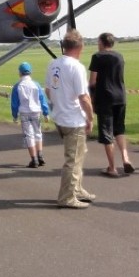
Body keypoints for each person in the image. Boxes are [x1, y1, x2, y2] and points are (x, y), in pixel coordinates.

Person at [45, 29, 95, 209]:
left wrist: (59, 104)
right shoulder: (77, 67)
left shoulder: (53, 64)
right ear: (79, 47)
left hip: (59, 117)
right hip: (73, 120)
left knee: (79, 156)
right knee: (73, 161)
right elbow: (83, 97)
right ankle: (67, 197)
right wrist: (90, 117)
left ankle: (77, 189)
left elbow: (48, 91)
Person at [89, 32, 134, 177]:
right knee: (119, 129)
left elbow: (93, 81)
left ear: (101, 42)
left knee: (107, 133)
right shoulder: (119, 56)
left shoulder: (97, 57)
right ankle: (126, 158)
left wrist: (91, 96)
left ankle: (112, 167)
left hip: (105, 97)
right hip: (120, 96)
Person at [10, 61, 49, 168]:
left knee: (29, 135)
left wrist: (14, 115)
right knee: (38, 133)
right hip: (36, 112)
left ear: (20, 73)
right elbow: (42, 99)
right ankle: (40, 156)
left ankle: (34, 159)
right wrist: (46, 113)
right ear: (30, 72)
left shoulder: (17, 86)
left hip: (24, 113)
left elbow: (14, 103)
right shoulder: (36, 84)